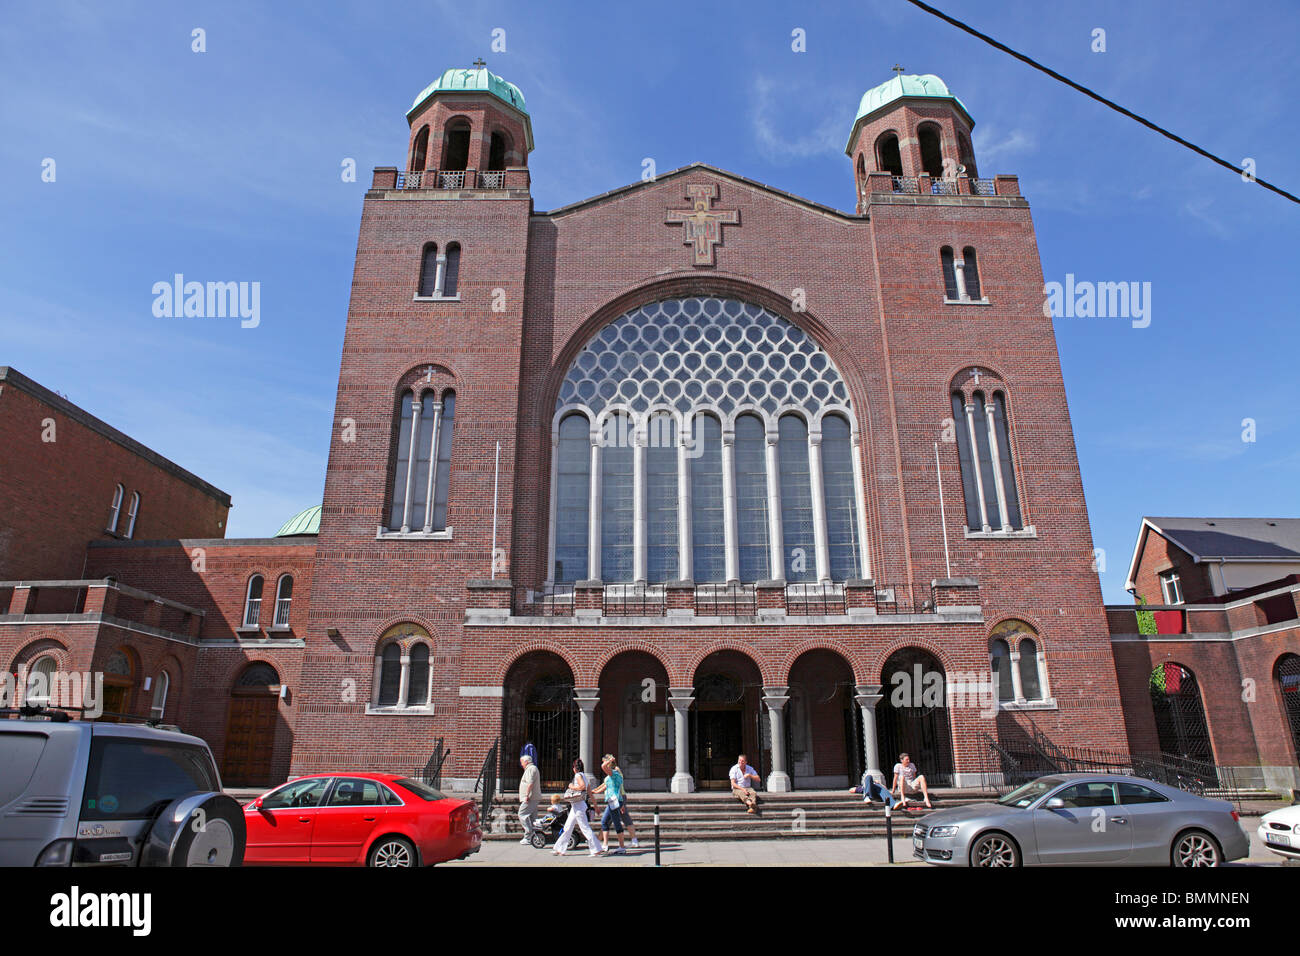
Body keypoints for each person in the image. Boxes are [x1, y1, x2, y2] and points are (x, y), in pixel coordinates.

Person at [552, 758, 602, 856]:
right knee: (567, 827)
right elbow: (590, 793)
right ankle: (560, 849)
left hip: (578, 806)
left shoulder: (578, 775)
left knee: (585, 828)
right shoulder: (584, 776)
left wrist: (572, 786)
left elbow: (582, 787)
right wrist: (595, 806)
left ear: (575, 768)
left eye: (573, 767)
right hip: (578, 806)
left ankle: (596, 849)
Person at [590, 754, 626, 854]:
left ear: (609, 764)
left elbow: (603, 767)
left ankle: (621, 847)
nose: (602, 763)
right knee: (605, 822)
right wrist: (594, 792)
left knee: (615, 823)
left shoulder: (614, 773)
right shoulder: (613, 775)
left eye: (604, 761)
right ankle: (605, 845)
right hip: (613, 801)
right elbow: (606, 786)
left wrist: (608, 760)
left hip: (614, 801)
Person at [517, 754, 541, 845]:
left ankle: (528, 836)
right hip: (532, 797)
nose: (521, 764)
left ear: (526, 761)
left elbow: (530, 783)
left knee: (522, 814)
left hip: (530, 798)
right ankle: (536, 836)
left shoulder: (531, 769)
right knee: (533, 818)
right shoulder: (531, 769)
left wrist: (526, 795)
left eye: (522, 762)